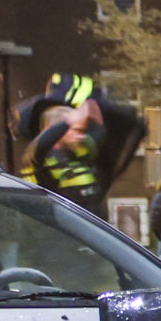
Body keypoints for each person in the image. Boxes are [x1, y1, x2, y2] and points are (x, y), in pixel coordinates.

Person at [27, 76, 145, 216]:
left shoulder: (82, 155)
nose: (81, 135)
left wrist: (94, 105)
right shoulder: (39, 160)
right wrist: (68, 120)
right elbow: (43, 143)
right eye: (76, 130)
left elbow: (132, 125)